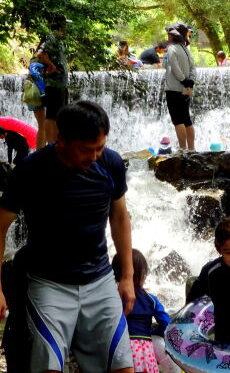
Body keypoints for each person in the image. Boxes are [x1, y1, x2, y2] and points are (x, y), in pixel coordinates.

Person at [0, 101, 135, 372]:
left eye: (100, 147)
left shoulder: (110, 163)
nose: (95, 156)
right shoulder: (31, 169)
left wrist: (128, 277)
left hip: (99, 279)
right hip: (48, 282)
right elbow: (0, 226)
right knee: (48, 366)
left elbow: (120, 217)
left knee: (122, 366)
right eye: (87, 149)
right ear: (61, 140)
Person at [113, 249, 170, 373]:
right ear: (143, 274)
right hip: (144, 351)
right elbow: (166, 324)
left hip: (121, 349)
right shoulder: (151, 300)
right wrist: (154, 332)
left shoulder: (115, 298)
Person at [35, 14, 70, 144]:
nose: (66, 27)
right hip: (54, 82)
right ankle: (52, 145)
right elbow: (40, 53)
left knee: (58, 114)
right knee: (53, 115)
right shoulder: (51, 37)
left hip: (59, 83)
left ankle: (55, 143)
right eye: (64, 24)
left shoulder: (56, 39)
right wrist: (51, 65)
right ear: (60, 25)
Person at [164, 22, 197, 151]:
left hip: (173, 88)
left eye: (169, 34)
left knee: (178, 120)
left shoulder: (172, 48)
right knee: (187, 119)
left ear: (174, 36)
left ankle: (183, 149)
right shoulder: (186, 50)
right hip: (186, 89)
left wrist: (183, 80)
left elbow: (174, 66)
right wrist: (190, 81)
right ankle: (192, 149)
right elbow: (193, 68)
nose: (168, 36)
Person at [27, 62, 47, 148]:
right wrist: (43, 89)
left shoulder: (34, 63)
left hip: (32, 96)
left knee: (43, 126)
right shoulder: (37, 63)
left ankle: (41, 150)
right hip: (38, 96)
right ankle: (40, 151)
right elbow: (34, 73)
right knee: (43, 126)